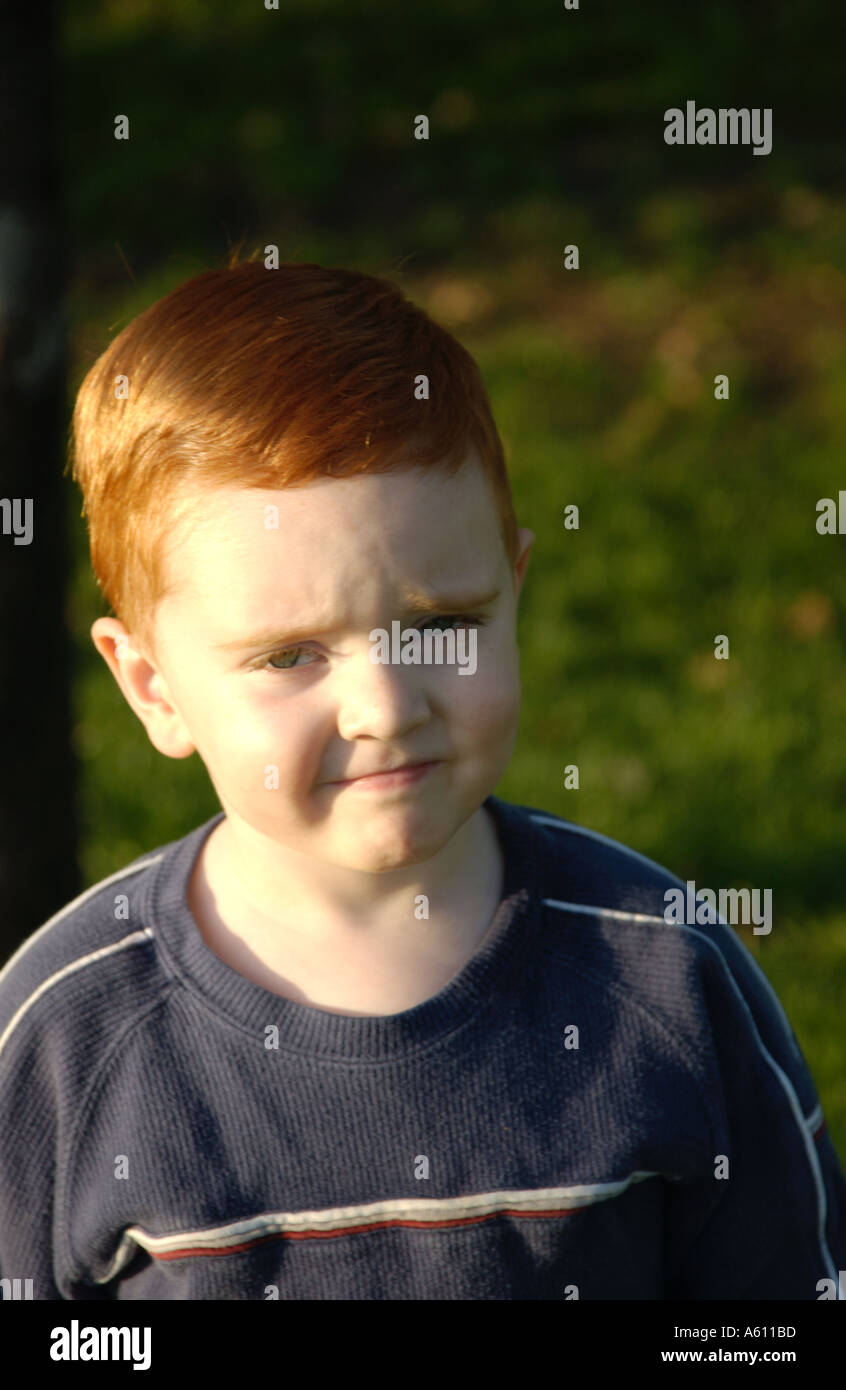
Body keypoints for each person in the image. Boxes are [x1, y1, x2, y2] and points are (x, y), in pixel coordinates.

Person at [1, 257, 844, 1300]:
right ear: (154, 689)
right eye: (288, 654)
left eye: (443, 626)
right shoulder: (63, 1039)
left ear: (514, 588)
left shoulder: (664, 969)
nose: (389, 706)